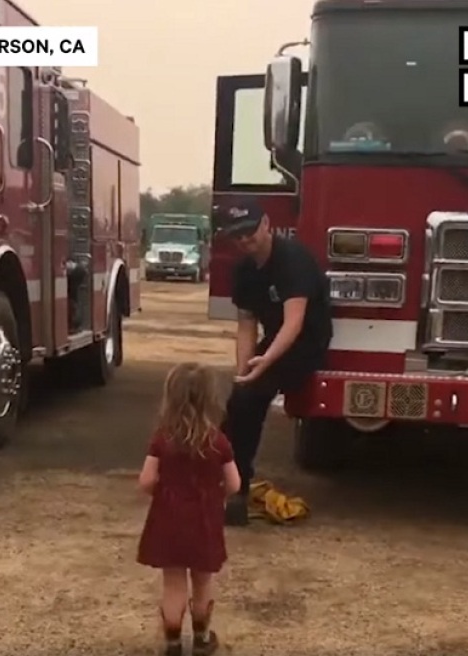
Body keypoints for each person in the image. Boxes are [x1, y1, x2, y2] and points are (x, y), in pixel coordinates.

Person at [213, 198, 333, 526]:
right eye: (237, 236)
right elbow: (246, 325)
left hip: (307, 342)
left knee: (253, 396)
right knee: (239, 400)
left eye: (250, 232)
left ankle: (236, 488)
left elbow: (294, 323)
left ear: (266, 224)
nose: (244, 241)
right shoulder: (243, 271)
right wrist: (244, 370)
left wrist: (264, 365)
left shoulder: (293, 259)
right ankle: (226, 482)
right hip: (274, 341)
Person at [136, 362, 242, 656]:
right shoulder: (219, 442)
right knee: (203, 580)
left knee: (173, 585)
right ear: (211, 400)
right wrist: (215, 495)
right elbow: (234, 483)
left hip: (168, 520)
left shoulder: (162, 439)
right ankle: (202, 638)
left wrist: (163, 494)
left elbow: (146, 480)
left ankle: (171, 643)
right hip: (205, 521)